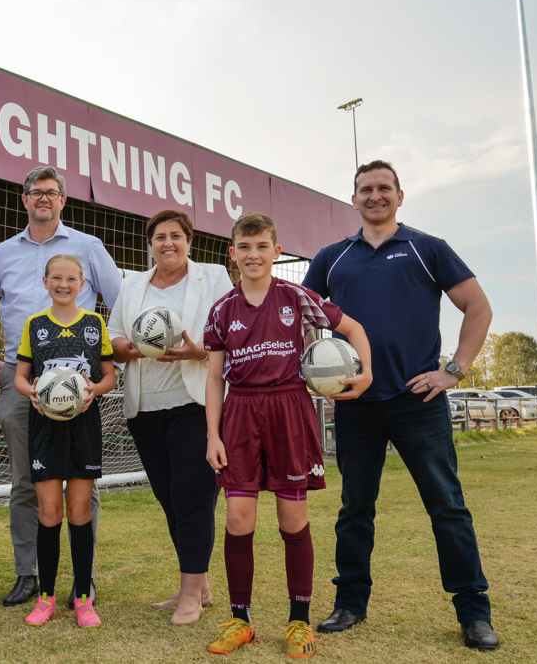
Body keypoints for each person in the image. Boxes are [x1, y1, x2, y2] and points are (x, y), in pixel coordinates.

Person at [301, 160, 498, 651]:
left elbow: (478, 306)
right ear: (353, 199)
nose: (375, 196)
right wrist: (313, 369)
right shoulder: (332, 257)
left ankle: (474, 612)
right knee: (354, 510)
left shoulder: (426, 248)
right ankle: (349, 603)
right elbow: (299, 315)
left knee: (447, 507)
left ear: (400, 195)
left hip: (418, 400)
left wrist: (454, 369)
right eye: (365, 189)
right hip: (355, 405)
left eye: (383, 188)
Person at [203, 212, 373, 658]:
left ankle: (299, 622)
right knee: (239, 519)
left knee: (291, 520)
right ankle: (240, 620)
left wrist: (364, 372)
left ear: (276, 252)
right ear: (233, 253)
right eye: (244, 247)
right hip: (239, 413)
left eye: (262, 247)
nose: (253, 255)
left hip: (289, 409)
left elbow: (352, 328)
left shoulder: (296, 297)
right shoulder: (222, 309)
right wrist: (212, 435)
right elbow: (214, 377)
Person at [0, 165, 123, 608]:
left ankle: (84, 579)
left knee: (82, 484)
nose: (43, 198)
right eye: (35, 192)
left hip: (81, 394)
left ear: (63, 200)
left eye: (51, 192)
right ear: (24, 199)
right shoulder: (2, 254)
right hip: (23, 386)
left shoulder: (88, 248)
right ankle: (28, 574)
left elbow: (121, 304)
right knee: (25, 482)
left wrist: (98, 370)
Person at [107, 209, 232, 626]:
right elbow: (114, 336)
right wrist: (131, 348)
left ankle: (191, 597)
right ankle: (198, 583)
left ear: (189, 240)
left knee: (192, 496)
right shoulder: (134, 284)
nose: (168, 243)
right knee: (168, 499)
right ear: (150, 244)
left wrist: (199, 352)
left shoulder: (213, 277)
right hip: (146, 407)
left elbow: (234, 331)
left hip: (196, 403)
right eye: (159, 237)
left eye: (176, 236)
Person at [14, 254, 118, 628]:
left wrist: (93, 391)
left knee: (79, 513)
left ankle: (82, 599)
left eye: (71, 278)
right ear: (45, 282)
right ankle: (45, 598)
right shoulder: (35, 325)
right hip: (45, 427)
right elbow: (21, 378)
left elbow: (109, 376)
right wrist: (33, 393)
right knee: (49, 513)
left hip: (84, 425)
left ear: (82, 284)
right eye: (56, 278)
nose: (63, 284)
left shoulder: (94, 324)